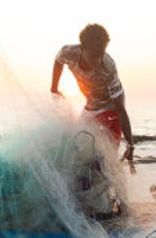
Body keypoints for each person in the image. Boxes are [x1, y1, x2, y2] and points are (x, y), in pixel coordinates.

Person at [50, 23, 135, 173]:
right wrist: (54, 88)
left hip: (112, 109)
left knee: (106, 158)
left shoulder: (108, 67)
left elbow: (120, 109)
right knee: (79, 147)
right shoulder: (68, 52)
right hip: (91, 106)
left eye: (101, 54)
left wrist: (130, 144)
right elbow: (58, 62)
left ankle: (115, 192)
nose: (98, 60)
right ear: (83, 48)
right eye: (94, 55)